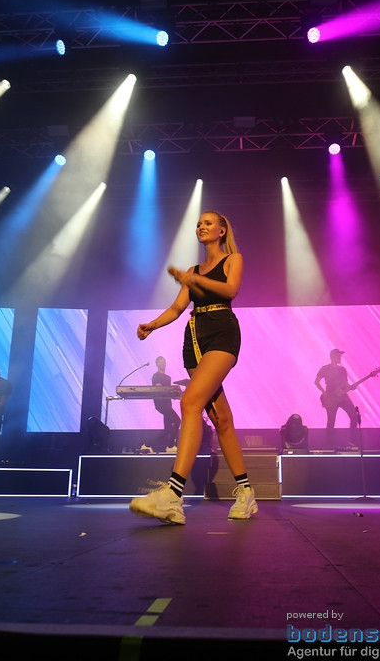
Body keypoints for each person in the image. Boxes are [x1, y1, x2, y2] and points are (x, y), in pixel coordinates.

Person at [129, 210, 257, 524]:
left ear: (222, 230)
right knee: (221, 418)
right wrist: (152, 325)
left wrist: (195, 280)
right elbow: (177, 308)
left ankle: (172, 495)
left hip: (222, 331)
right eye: (199, 223)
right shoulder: (193, 269)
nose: (201, 226)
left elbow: (230, 291)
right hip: (195, 337)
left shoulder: (232, 259)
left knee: (189, 403)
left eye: (208, 222)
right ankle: (246, 491)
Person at [314, 349, 362, 429]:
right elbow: (316, 382)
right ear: (332, 357)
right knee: (331, 421)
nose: (340, 357)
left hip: (343, 397)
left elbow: (345, 384)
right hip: (331, 397)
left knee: (354, 417)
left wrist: (351, 387)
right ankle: (329, 440)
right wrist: (324, 392)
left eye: (340, 355)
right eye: (338, 355)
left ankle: (352, 438)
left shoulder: (342, 370)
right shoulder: (325, 368)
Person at [151, 356, 181, 452]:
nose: (162, 363)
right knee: (177, 421)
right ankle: (171, 445)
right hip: (161, 404)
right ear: (156, 364)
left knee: (167, 429)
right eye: (160, 362)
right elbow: (160, 389)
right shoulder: (156, 376)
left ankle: (148, 444)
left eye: (163, 361)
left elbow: (167, 390)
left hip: (168, 404)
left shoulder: (168, 377)